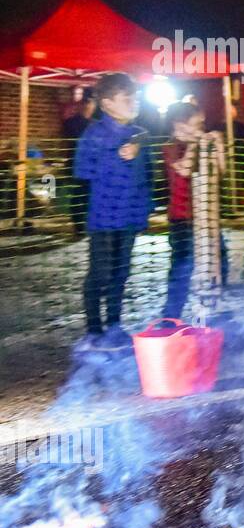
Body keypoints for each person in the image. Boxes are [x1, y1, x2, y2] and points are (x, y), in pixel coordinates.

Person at [73, 73, 152, 350]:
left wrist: (144, 213)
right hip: (104, 218)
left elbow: (147, 178)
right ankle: (94, 329)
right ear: (106, 103)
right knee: (101, 273)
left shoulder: (138, 135)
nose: (134, 103)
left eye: (136, 97)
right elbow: (81, 171)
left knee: (121, 272)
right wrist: (114, 155)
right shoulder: (94, 133)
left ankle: (115, 324)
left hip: (129, 218)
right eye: (127, 98)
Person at [161, 103, 226, 320]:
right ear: (179, 124)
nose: (201, 128)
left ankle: (209, 311)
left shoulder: (201, 143)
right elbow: (184, 169)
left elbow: (223, 170)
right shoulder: (171, 146)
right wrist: (195, 143)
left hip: (207, 217)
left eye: (201, 124)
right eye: (197, 123)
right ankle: (171, 317)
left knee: (218, 261)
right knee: (182, 268)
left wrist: (218, 145)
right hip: (182, 218)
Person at [61, 94, 96, 235]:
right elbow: (74, 137)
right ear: (82, 105)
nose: (89, 106)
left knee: (88, 196)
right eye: (87, 103)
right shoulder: (72, 122)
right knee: (77, 195)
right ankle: (78, 225)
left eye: (91, 103)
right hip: (76, 165)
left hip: (91, 166)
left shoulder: (95, 124)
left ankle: (85, 224)